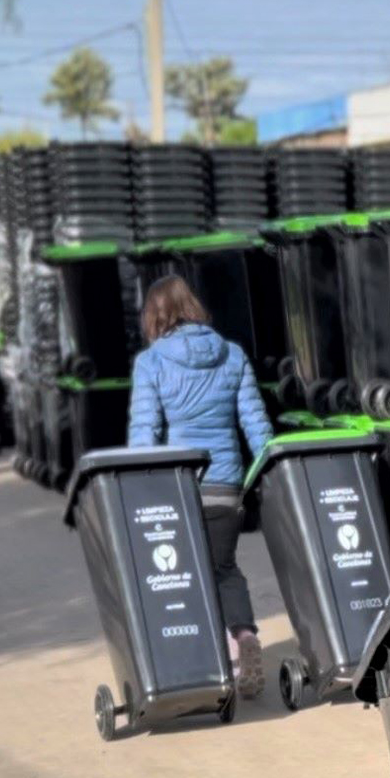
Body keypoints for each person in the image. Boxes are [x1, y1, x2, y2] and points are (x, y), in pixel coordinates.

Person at [126, 276, 272, 698]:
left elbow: (145, 430)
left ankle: (215, 657)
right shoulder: (232, 355)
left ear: (155, 315)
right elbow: (255, 423)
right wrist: (265, 470)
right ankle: (244, 637)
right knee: (223, 568)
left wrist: (140, 486)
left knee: (185, 576)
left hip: (178, 486)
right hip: (226, 486)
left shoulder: (151, 362)